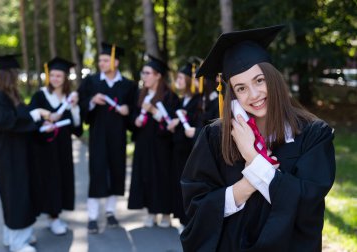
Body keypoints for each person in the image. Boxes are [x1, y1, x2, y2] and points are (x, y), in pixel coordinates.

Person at [180, 25, 336, 252]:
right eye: (241, 88)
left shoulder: (313, 134)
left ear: (273, 78)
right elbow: (197, 205)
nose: (253, 95)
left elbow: (307, 203)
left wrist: (252, 157)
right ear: (231, 94)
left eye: (259, 80)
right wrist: (246, 185)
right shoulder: (216, 137)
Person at [0, 54, 51, 252]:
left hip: (18, 153)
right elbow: (8, 122)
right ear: (7, 76)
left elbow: (22, 118)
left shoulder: (10, 95)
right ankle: (17, 243)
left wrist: (39, 124)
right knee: (16, 195)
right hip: (9, 156)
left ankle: (15, 235)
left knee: (21, 193)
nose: (18, 78)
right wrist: (35, 115)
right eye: (15, 74)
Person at [77, 42, 137, 233]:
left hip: (118, 138)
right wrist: (92, 101)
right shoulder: (92, 82)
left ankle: (110, 212)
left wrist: (128, 111)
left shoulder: (127, 85)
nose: (101, 63)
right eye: (100, 60)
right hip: (97, 136)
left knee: (116, 172)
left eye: (105, 60)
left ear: (115, 62)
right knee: (97, 173)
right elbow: (80, 104)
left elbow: (134, 111)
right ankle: (92, 217)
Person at [29, 57, 82, 235]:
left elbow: (77, 128)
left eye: (59, 76)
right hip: (44, 147)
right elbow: (31, 121)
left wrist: (75, 109)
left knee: (62, 179)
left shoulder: (70, 99)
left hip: (64, 147)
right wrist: (45, 122)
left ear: (65, 78)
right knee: (48, 180)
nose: (55, 79)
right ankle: (52, 217)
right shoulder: (40, 95)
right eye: (52, 75)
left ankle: (56, 215)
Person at [128, 55, 179, 228]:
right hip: (143, 143)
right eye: (143, 73)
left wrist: (153, 111)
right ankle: (151, 212)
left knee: (162, 177)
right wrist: (135, 120)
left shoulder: (169, 96)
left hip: (162, 145)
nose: (144, 76)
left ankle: (165, 213)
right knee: (146, 176)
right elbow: (133, 115)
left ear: (158, 75)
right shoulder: (140, 94)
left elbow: (172, 122)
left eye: (148, 73)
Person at [167, 60, 203, 230]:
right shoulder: (181, 100)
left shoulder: (198, 101)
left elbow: (199, 124)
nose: (178, 81)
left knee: (190, 187)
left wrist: (186, 118)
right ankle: (182, 220)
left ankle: (190, 222)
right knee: (179, 186)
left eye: (181, 78)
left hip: (191, 152)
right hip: (178, 151)